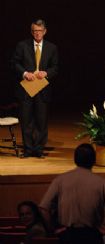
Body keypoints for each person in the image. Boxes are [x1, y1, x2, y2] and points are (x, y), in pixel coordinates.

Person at [11, 19, 58, 158]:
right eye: (34, 31)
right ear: (32, 32)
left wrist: (47, 73)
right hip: (26, 88)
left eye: (39, 31)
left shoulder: (52, 48)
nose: (37, 34)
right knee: (26, 121)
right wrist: (25, 73)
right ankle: (28, 149)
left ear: (45, 31)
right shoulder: (22, 45)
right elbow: (14, 63)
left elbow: (55, 67)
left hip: (42, 89)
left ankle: (38, 149)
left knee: (41, 121)